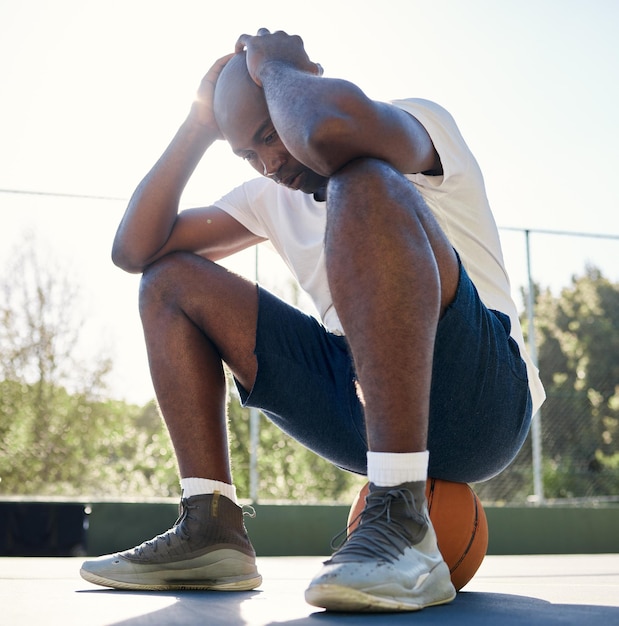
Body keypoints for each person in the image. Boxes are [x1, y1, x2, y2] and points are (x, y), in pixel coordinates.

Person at [80, 28, 544, 612]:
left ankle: (400, 515)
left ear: (306, 81)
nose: (269, 163)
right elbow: (135, 249)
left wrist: (275, 68)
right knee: (169, 281)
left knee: (362, 176)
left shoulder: (416, 125)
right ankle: (212, 527)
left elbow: (328, 134)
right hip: (362, 404)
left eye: (270, 135)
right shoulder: (267, 198)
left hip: (483, 401)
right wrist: (201, 126)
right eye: (248, 153)